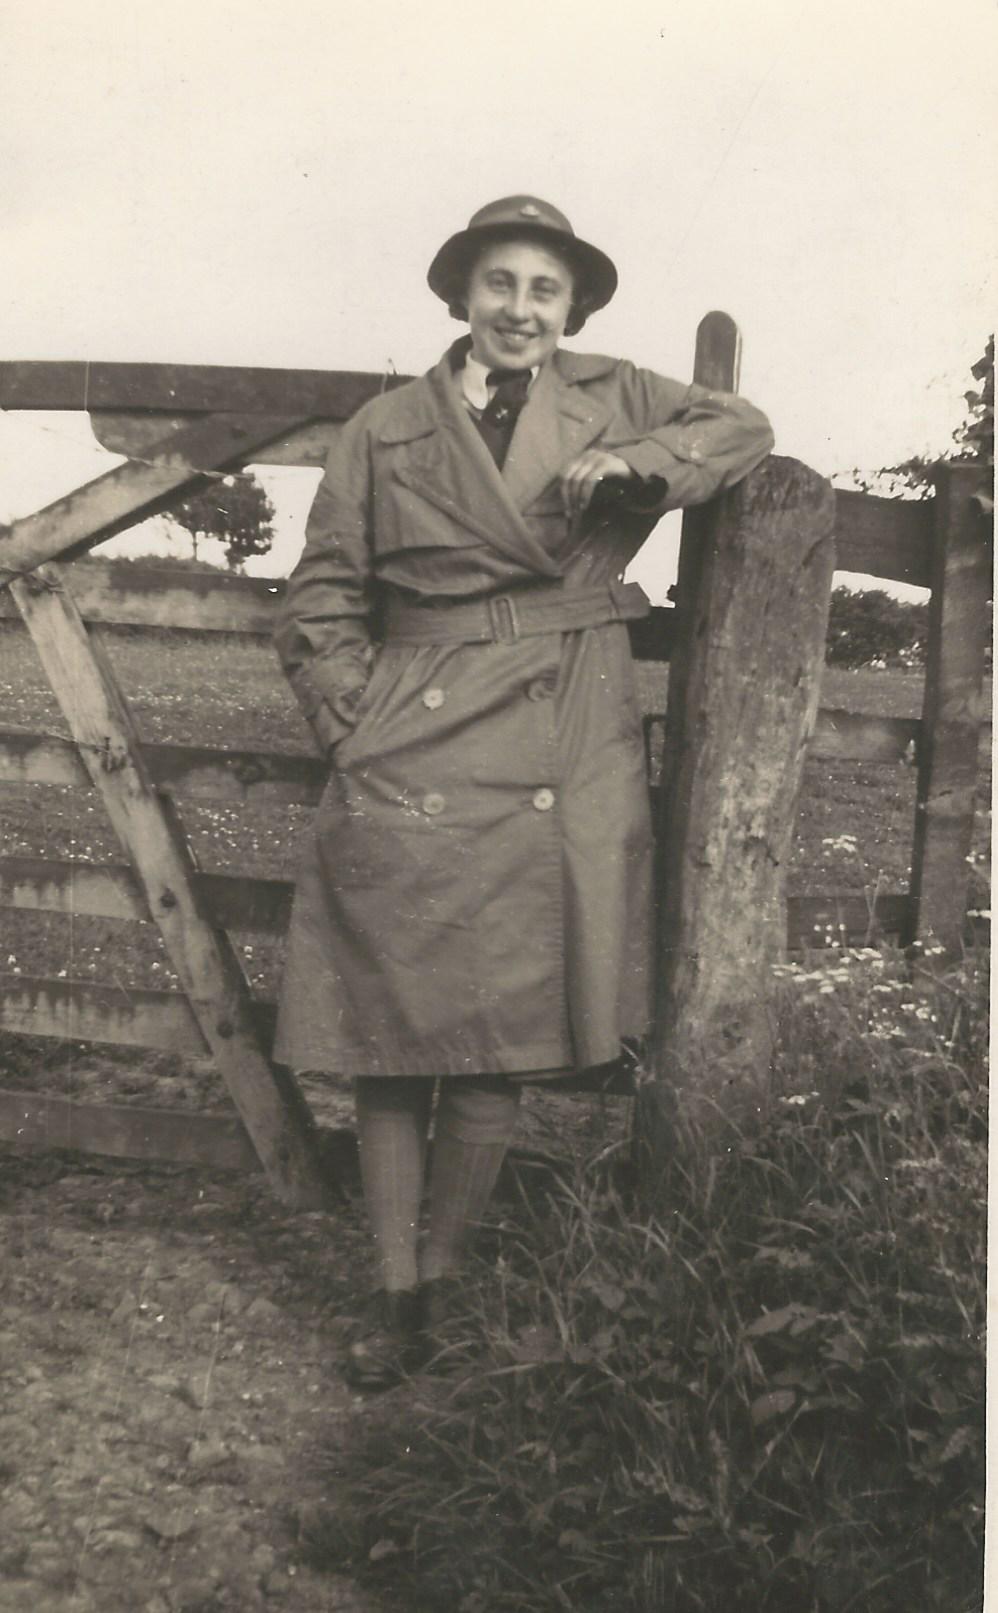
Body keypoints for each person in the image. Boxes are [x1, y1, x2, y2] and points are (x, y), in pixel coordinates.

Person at [273, 195, 774, 1387]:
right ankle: (392, 1293)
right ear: (460, 296)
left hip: (558, 720)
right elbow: (321, 588)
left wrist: (640, 462)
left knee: (500, 1032)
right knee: (391, 1032)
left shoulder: (614, 392)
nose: (520, 309)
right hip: (413, 731)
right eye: (498, 284)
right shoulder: (385, 427)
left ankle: (442, 1281)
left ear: (573, 308)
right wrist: (354, 721)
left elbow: (741, 424)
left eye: (543, 290)